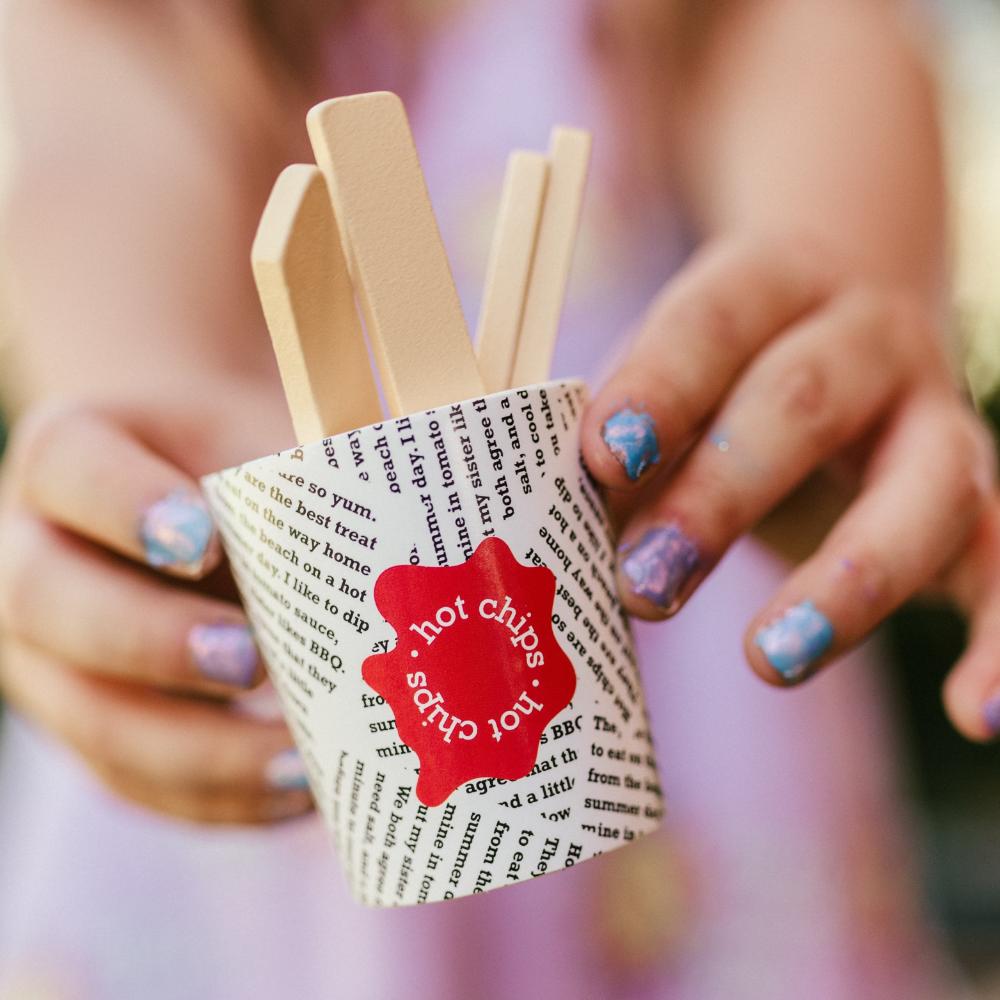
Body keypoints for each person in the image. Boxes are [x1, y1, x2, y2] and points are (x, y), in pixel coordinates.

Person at [0, 0, 995, 995]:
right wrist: (138, 504)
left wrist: (833, 406)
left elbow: (831, 286)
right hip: (243, 904)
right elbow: (134, 355)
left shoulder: (750, 22)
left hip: (710, 867)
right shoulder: (119, 22)